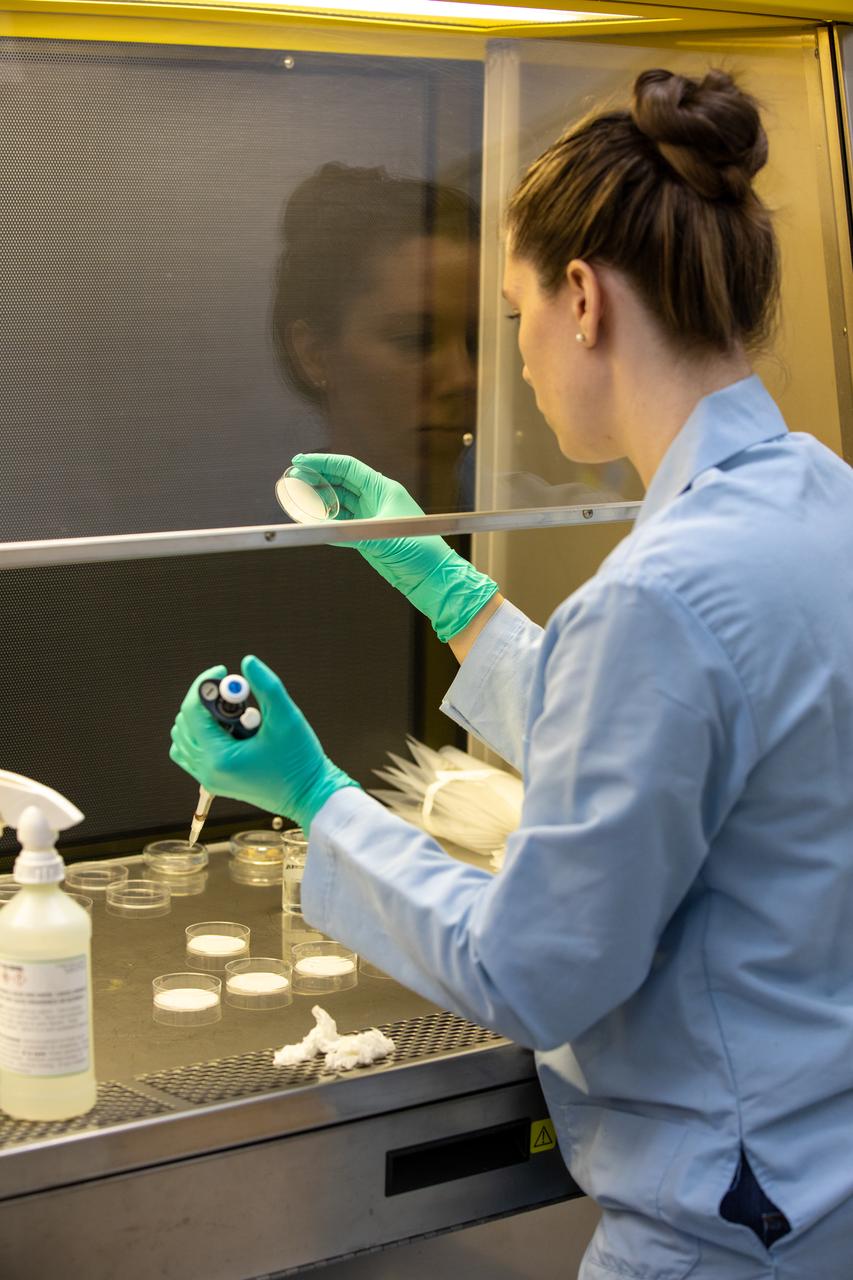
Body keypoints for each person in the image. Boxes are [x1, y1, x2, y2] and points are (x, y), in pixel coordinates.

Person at [170, 68, 853, 1278]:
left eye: (512, 312)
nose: (517, 357)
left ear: (581, 299)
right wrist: (445, 586)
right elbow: (667, 747)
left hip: (722, 1233)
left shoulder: (657, 593)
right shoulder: (824, 503)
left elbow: (530, 968)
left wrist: (318, 796)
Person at [272, 162, 480, 513]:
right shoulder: (237, 553)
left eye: (479, 344)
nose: (463, 378)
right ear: (314, 353)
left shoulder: (551, 525)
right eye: (415, 340)